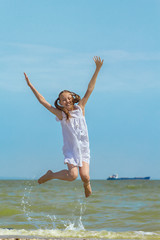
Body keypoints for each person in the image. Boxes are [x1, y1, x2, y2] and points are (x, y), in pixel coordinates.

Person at [24, 56, 103, 198]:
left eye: (68, 98)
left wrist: (97, 69)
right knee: (73, 176)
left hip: (83, 148)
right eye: (63, 99)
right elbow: (43, 102)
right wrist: (31, 86)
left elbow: (90, 89)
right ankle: (51, 175)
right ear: (60, 102)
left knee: (85, 176)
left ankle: (86, 184)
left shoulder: (81, 108)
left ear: (72, 98)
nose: (66, 100)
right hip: (71, 150)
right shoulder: (62, 115)